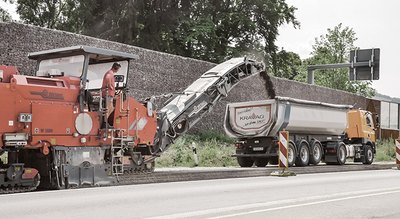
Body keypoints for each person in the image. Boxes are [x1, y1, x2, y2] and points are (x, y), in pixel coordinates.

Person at [101, 62, 121, 127]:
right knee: (108, 109)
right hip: (108, 94)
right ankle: (107, 123)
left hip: (109, 94)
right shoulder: (110, 73)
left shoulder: (109, 72)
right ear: (116, 68)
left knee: (110, 108)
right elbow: (107, 78)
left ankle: (107, 122)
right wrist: (110, 86)